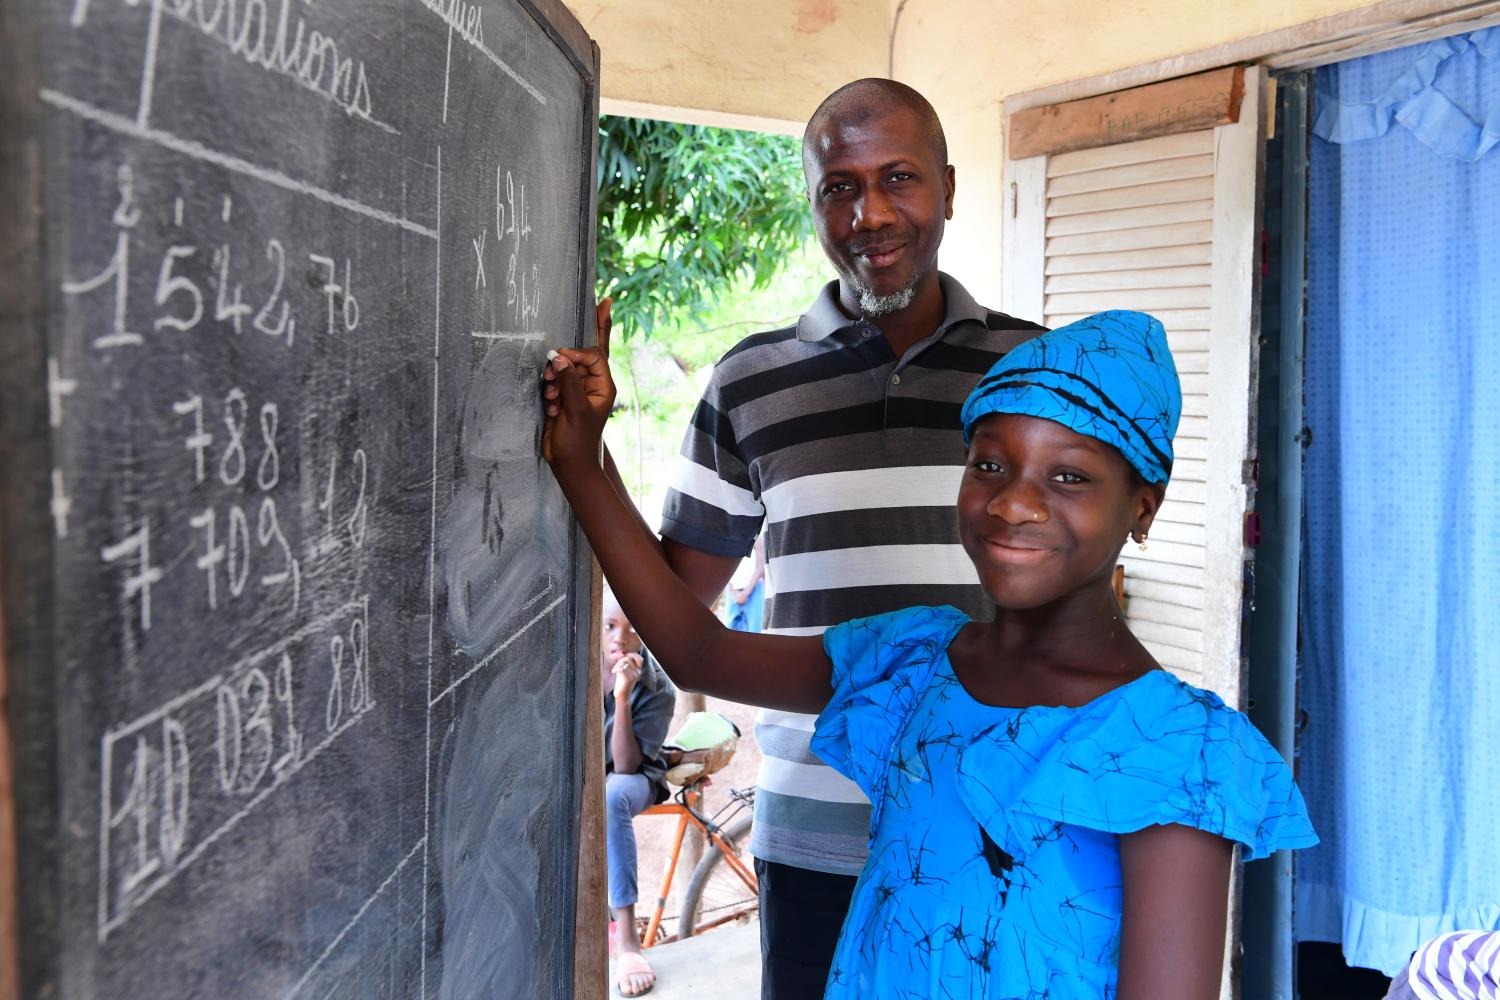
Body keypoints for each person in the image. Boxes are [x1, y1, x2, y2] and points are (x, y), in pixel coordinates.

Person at [542, 309, 1318, 998]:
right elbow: (700, 650)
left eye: (1070, 476)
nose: (1013, 502)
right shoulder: (913, 661)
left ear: (1140, 508)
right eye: (990, 464)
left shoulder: (1172, 750)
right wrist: (583, 459)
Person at [554, 77, 1046, 996]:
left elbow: (1075, 601)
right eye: (841, 186)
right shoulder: (752, 384)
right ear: (813, 202)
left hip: (1001, 818)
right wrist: (589, 456)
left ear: (947, 184)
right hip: (814, 832)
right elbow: (681, 605)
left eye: (899, 177)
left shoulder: (1035, 373)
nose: (872, 212)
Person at [600, 591, 676, 998]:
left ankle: (627, 939)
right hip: (589, 775)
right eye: (610, 626)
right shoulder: (574, 665)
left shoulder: (658, 689)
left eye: (631, 631)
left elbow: (626, 765)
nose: (620, 639)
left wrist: (623, 697)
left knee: (612, 796)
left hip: (636, 776)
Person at [725, 535, 766, 634]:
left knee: (754, 631)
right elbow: (725, 569)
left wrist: (745, 593)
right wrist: (733, 591)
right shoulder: (728, 538)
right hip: (733, 592)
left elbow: (760, 567)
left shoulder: (757, 540)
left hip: (753, 591)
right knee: (730, 631)